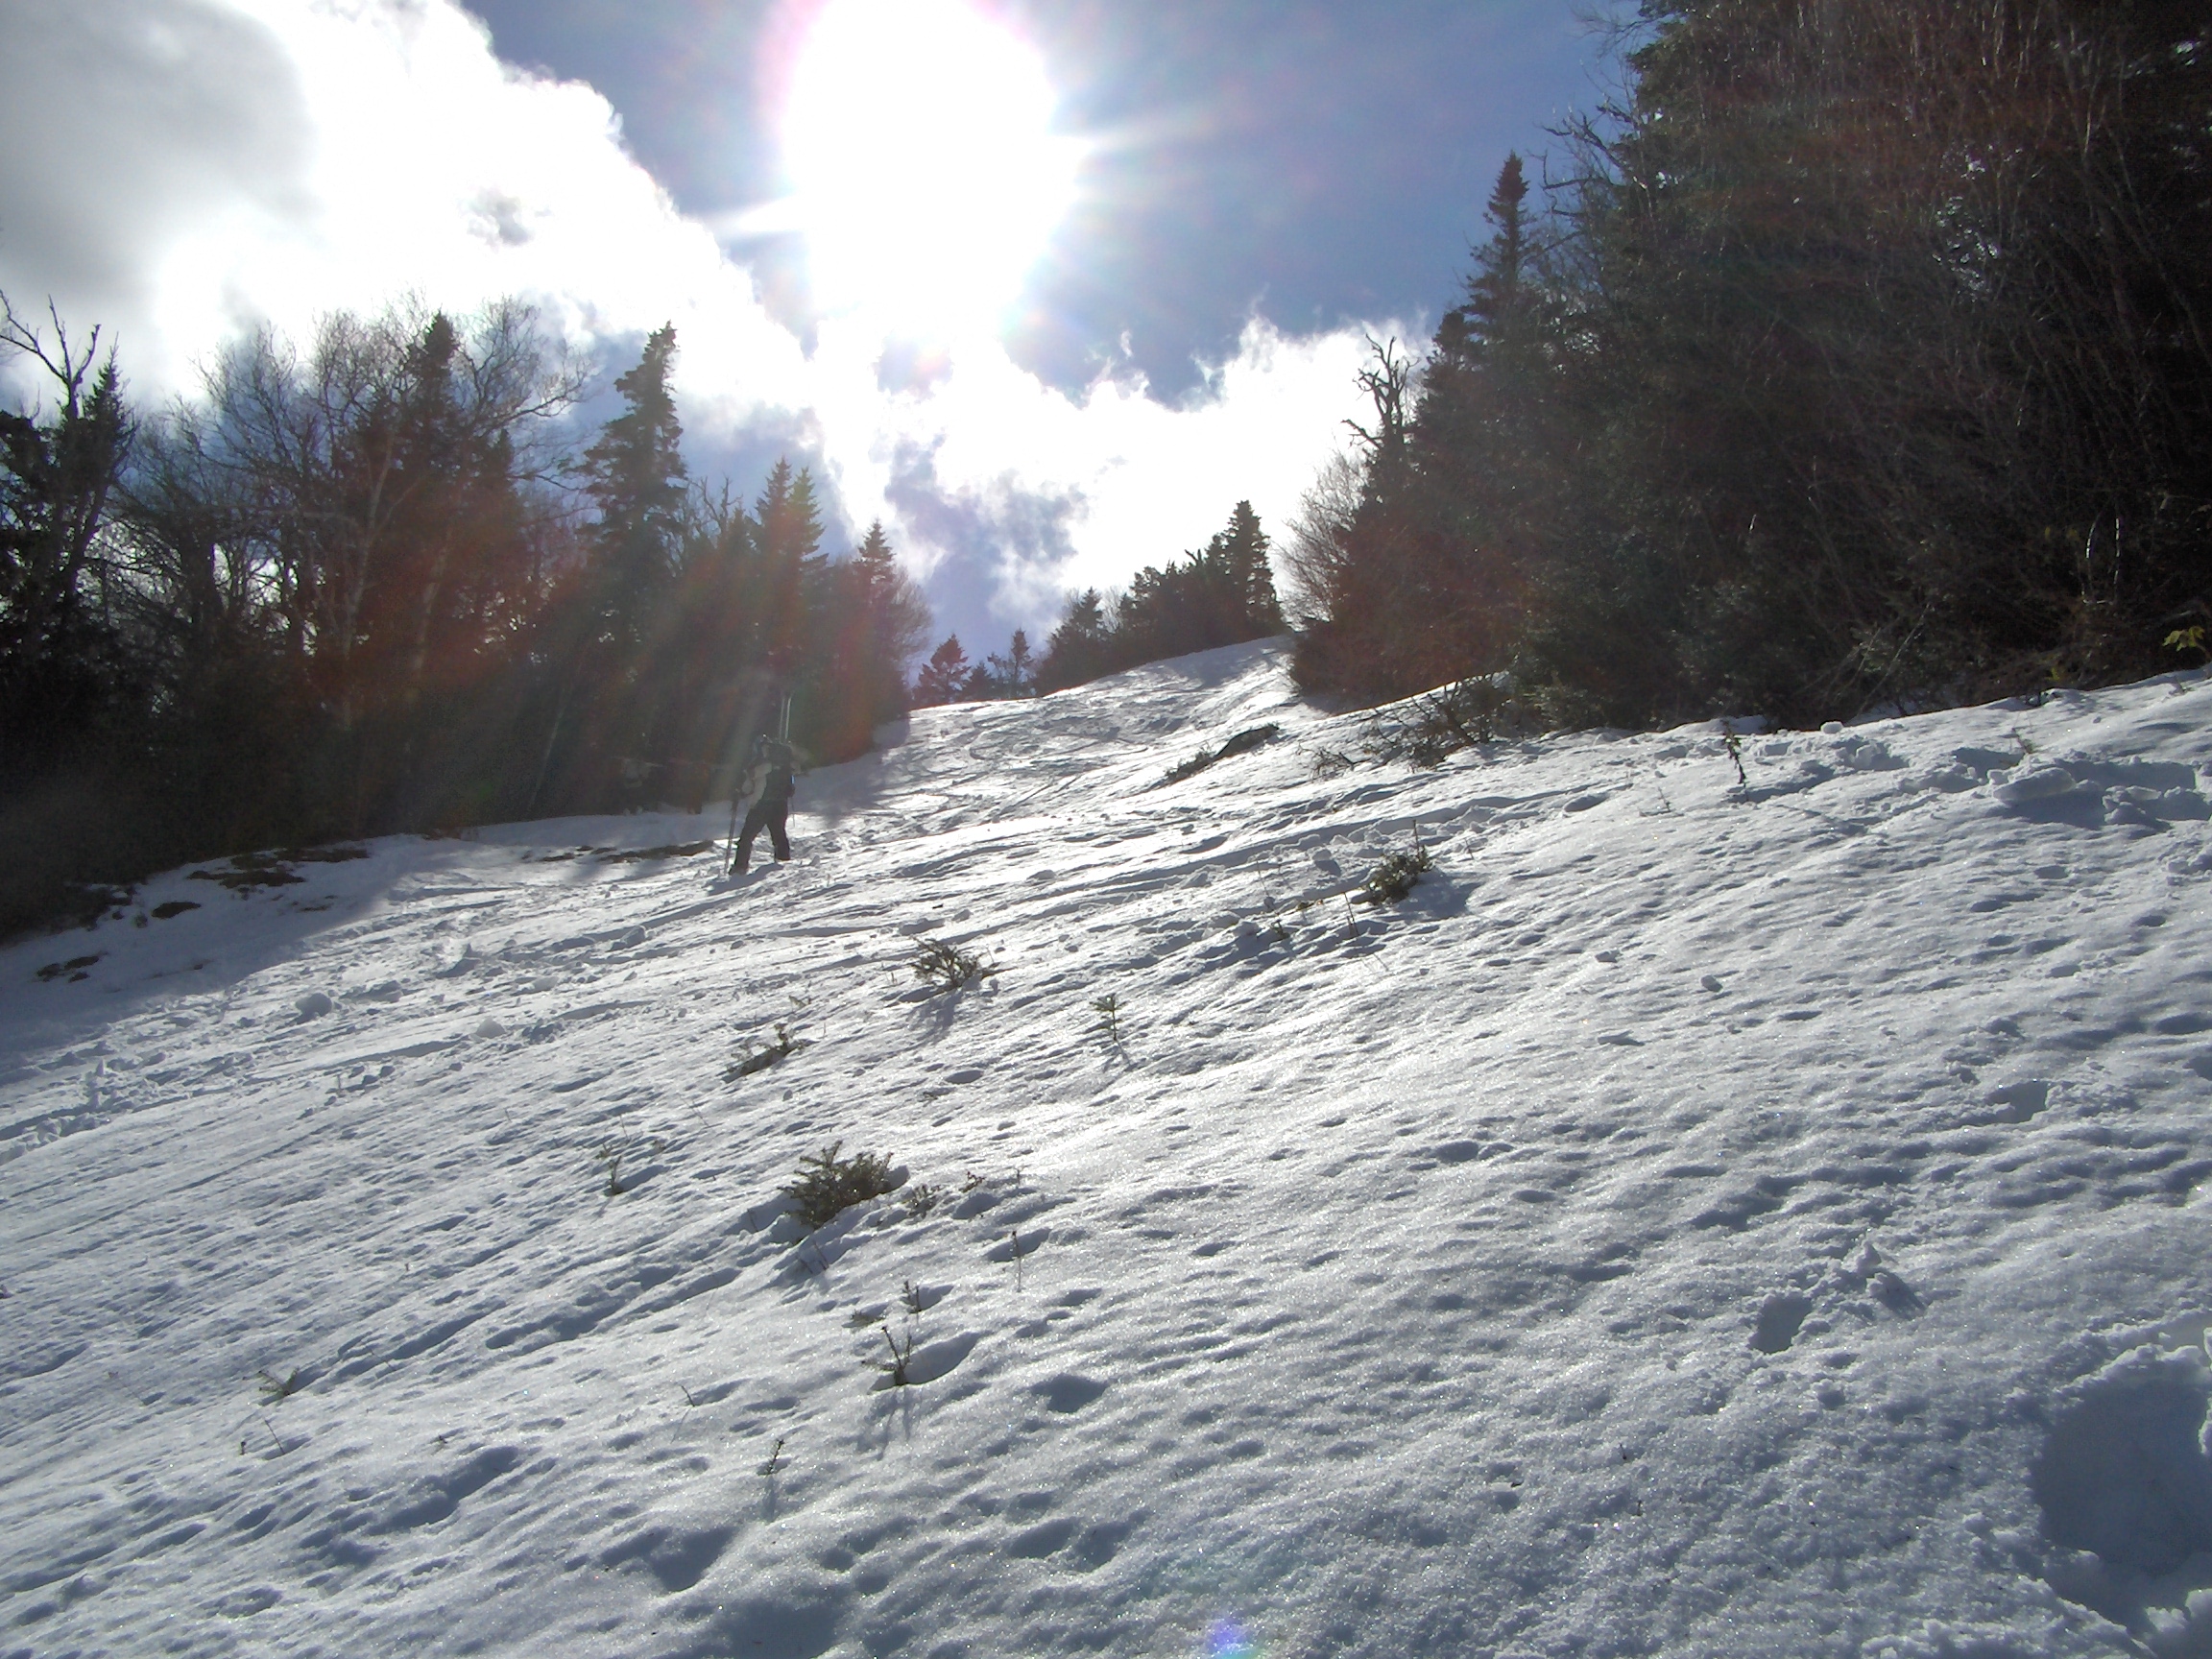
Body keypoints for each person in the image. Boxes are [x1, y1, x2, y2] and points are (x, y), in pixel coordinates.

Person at [731, 733, 798, 876]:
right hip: (781, 804)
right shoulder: (782, 762)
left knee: (747, 836)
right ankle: (784, 862)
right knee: (779, 834)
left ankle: (740, 867)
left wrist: (739, 791)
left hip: (762, 805)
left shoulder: (760, 763)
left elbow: (749, 785)